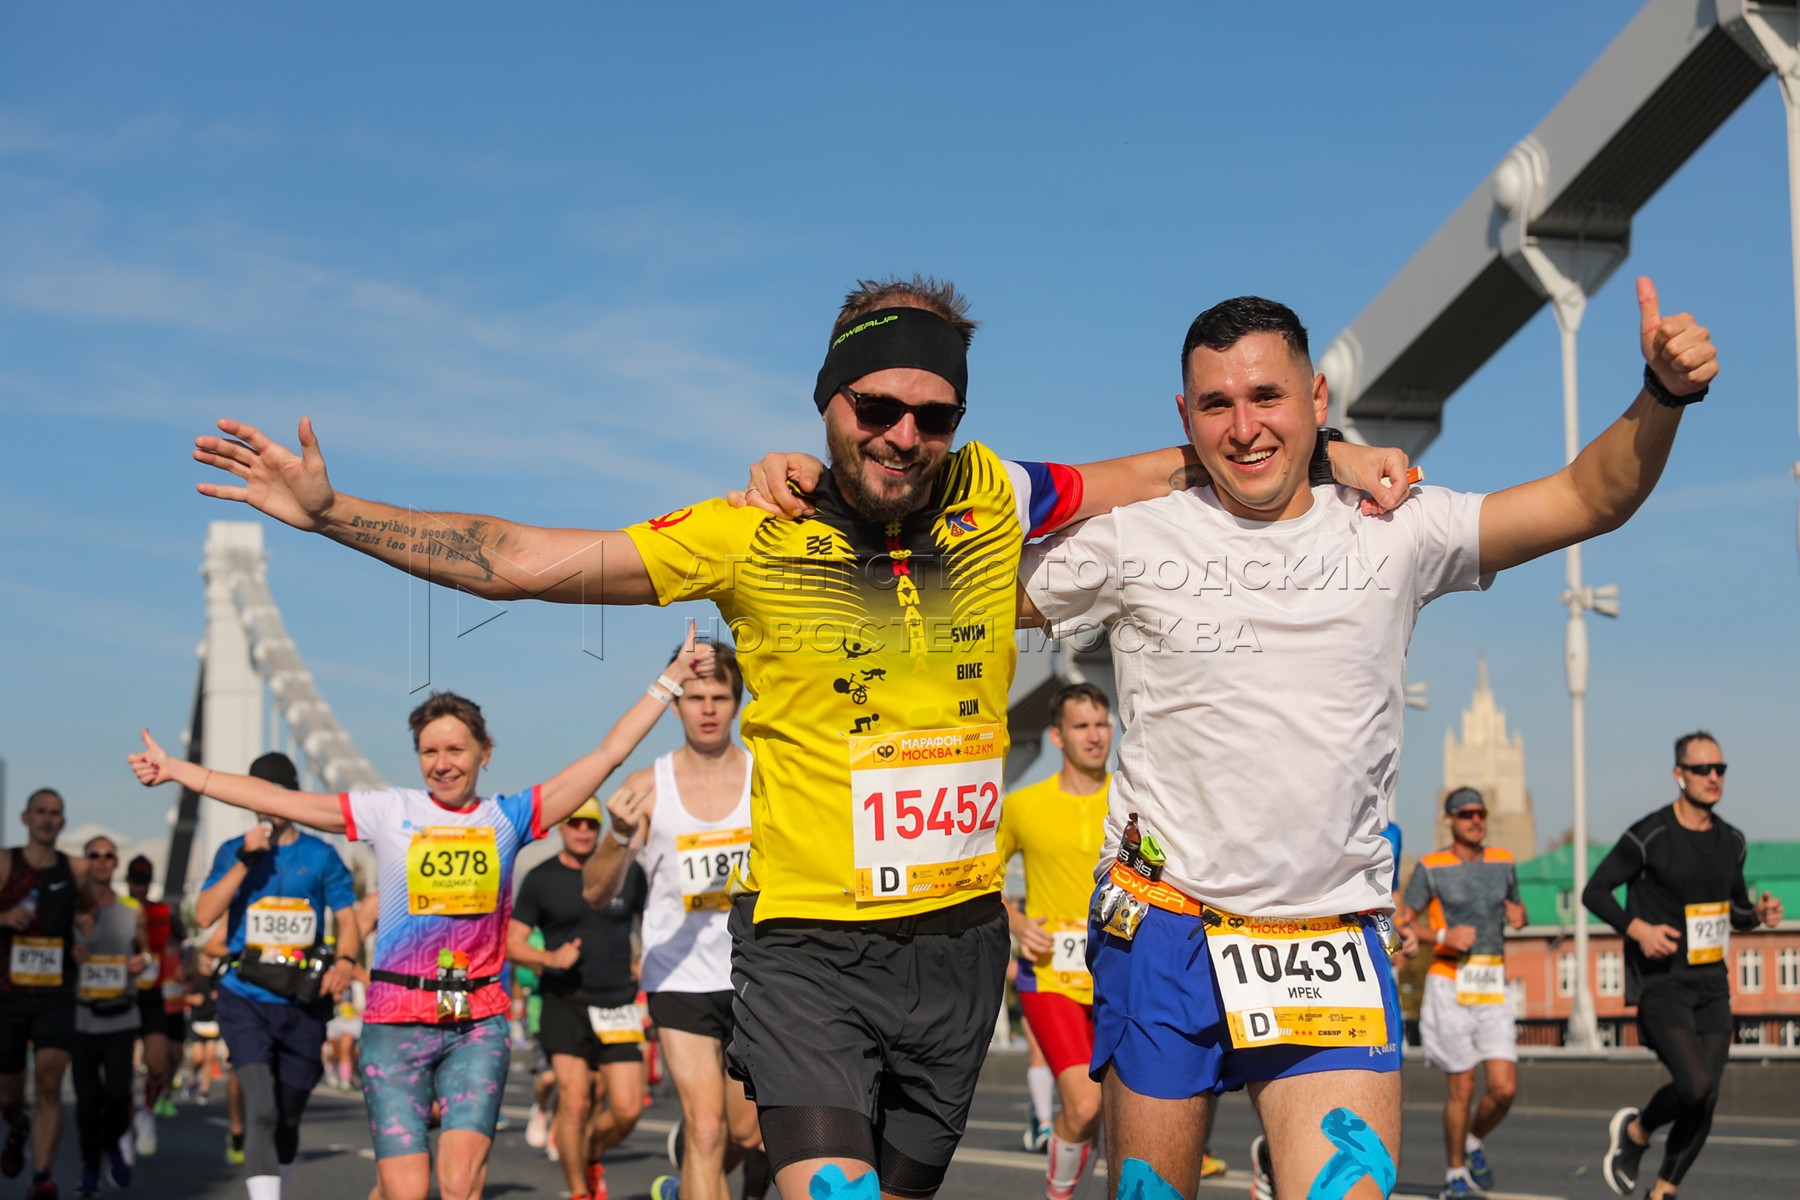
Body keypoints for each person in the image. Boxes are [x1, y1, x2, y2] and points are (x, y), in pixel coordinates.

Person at [187, 274, 1410, 1200]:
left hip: (957, 953)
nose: (903, 435)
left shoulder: (994, 493)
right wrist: (333, 514)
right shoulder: (749, 533)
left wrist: (1332, 450)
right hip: (808, 952)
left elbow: (1173, 464)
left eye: (933, 415)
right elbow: (518, 559)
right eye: (875, 407)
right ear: (828, 401)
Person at [1016, 278, 1717, 1200]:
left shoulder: (1396, 527)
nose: (1244, 428)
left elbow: (1590, 496)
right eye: (1216, 406)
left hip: (1329, 939)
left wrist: (1663, 395)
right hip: (1163, 926)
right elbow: (951, 584)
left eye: (1268, 397)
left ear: (1318, 399)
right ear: (1184, 418)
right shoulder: (1134, 538)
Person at [129, 626, 715, 1200]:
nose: (442, 763)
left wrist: (669, 680)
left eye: (456, 750)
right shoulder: (388, 812)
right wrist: (179, 770)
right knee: (405, 1190)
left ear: (485, 752)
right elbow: (277, 799)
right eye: (429, 752)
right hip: (395, 1021)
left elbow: (608, 755)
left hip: (477, 1021)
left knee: (459, 1184)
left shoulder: (508, 818)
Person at [582, 642, 769, 1200]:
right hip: (679, 977)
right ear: (676, 705)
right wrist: (617, 836)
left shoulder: (767, 778)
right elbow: (596, 891)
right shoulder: (648, 786)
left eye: (719, 697)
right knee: (706, 1128)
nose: (707, 709)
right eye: (694, 697)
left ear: (737, 703)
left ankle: (686, 1182)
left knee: (745, 1131)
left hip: (755, 975)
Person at [1586, 731, 1783, 1199]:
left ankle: (1663, 1192)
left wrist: (1757, 914)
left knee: (1707, 1095)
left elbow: (1734, 911)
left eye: (1720, 769)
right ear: (1679, 774)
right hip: (1662, 982)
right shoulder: (1650, 835)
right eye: (1702, 769)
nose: (1713, 777)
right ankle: (1636, 1131)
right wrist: (1638, 929)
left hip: (1712, 982)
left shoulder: (1732, 840)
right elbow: (1595, 891)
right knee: (1694, 1085)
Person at [181, 751, 362, 1200]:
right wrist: (246, 859)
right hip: (244, 995)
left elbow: (348, 918)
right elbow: (203, 915)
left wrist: (344, 962)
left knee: (287, 1116)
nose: (266, 803)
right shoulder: (233, 851)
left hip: (303, 1000)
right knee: (260, 1107)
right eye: (257, 793)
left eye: (276, 793)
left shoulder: (321, 855)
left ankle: (274, 1177)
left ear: (294, 796)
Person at [994, 682, 1116, 1200]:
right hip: (1050, 977)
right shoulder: (1022, 805)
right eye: (1081, 726)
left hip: (1122, 975)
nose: (1095, 735)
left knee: (1120, 1116)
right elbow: (979, 877)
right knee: (1086, 1106)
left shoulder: (1133, 800)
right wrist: (1017, 922)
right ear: (1057, 737)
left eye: (1102, 723)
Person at [508, 797, 650, 1200]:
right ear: (561, 828)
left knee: (627, 1109)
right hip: (564, 1001)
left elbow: (652, 923)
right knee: (574, 1103)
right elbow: (513, 943)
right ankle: (579, 1192)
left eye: (591, 824)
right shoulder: (541, 878)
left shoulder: (628, 872)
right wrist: (549, 958)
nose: (584, 831)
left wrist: (644, 961)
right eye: (575, 823)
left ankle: (587, 1153)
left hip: (617, 1005)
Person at [1402, 788, 1526, 1199]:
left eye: (1481, 813)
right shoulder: (1431, 866)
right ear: (1449, 820)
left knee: (1504, 1088)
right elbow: (1403, 922)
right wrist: (1443, 936)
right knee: (1462, 1088)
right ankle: (1454, 1175)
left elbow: (1517, 909)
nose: (1476, 820)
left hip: (1492, 983)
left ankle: (1473, 1141)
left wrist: (1520, 916)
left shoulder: (1503, 861)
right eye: (1466, 814)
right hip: (1449, 982)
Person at [0, 788, 94, 1200]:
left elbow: (89, 907)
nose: (47, 818)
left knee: (50, 1081)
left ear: (63, 821)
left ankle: (42, 1176)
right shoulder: (5, 863)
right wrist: (4, 916)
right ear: (26, 818)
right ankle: (17, 1124)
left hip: (55, 991)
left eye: (55, 813)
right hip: (7, 992)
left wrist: (85, 923)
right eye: (40, 811)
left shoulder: (75, 869)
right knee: (8, 1093)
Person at [69, 835, 148, 1197]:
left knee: (118, 1097)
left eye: (108, 855)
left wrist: (142, 962)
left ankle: (113, 1143)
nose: (101, 861)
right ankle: (90, 1167)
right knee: (87, 1104)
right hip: (82, 1019)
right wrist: (71, 957)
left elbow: (148, 956)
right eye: (94, 855)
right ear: (85, 861)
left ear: (116, 862)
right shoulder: (70, 908)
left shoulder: (132, 910)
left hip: (121, 1016)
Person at [123, 855, 184, 1151]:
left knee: (158, 1065)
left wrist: (183, 966)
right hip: (121, 996)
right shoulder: (118, 910)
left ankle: (146, 1111)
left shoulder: (165, 912)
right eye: (136, 882)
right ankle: (122, 1126)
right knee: (119, 1070)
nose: (140, 888)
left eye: (145, 882)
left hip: (153, 996)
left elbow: (184, 943)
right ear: (128, 882)